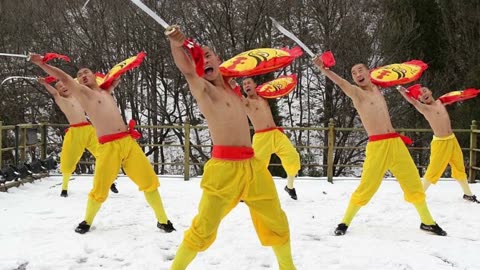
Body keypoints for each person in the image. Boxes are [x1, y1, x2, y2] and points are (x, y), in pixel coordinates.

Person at [167, 26, 296, 270]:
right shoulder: (204, 89)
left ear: (218, 59)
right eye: (199, 57)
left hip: (253, 167)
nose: (204, 59)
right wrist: (176, 44)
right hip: (224, 171)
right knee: (203, 228)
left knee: (277, 220)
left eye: (208, 55)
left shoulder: (233, 89)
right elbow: (186, 70)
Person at [30, 54, 174, 234]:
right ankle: (87, 221)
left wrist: (126, 65)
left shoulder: (106, 91)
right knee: (99, 189)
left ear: (94, 76)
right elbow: (64, 78)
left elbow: (117, 74)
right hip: (108, 147)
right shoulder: (82, 93)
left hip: (127, 142)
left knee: (149, 181)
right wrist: (42, 63)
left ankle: (163, 220)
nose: (83, 75)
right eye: (80, 74)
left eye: (86, 72)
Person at [312, 58, 446, 236]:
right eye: (354, 73)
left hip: (395, 143)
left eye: (361, 70)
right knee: (367, 187)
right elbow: (341, 82)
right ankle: (344, 222)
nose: (358, 74)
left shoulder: (377, 88)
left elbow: (392, 75)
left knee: (413, 181)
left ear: (369, 73)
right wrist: (324, 69)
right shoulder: (357, 93)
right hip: (377, 146)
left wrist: (406, 86)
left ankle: (427, 221)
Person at [397, 85, 479, 203]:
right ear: (420, 99)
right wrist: (403, 92)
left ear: (430, 91)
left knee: (459, 167)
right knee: (433, 170)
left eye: (424, 91)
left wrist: (468, 93)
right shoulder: (425, 108)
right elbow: (413, 102)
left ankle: (468, 194)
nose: (423, 94)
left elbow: (455, 96)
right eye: (420, 94)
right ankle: (417, 195)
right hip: (440, 143)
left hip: (452, 140)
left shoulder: (441, 102)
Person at [37, 78, 119, 197]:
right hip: (75, 132)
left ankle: (109, 181)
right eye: (59, 87)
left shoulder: (77, 96)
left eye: (64, 84)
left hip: (89, 130)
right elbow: (54, 93)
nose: (63, 87)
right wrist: (45, 83)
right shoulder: (61, 100)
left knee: (103, 154)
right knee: (68, 160)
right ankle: (64, 188)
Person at [241, 77, 301, 200]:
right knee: (257, 167)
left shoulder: (264, 97)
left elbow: (277, 89)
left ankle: (289, 187)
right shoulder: (245, 102)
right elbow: (233, 92)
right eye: (244, 84)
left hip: (276, 134)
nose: (246, 85)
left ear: (255, 84)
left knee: (293, 159)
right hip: (261, 138)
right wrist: (230, 81)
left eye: (249, 82)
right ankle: (246, 191)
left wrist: (287, 86)